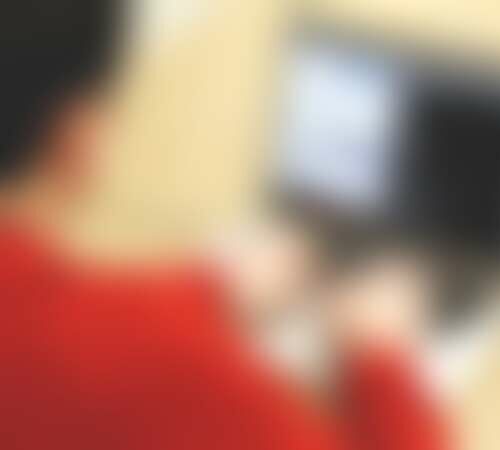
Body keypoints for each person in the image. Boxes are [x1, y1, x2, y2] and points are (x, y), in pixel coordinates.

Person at [0, 1, 452, 449]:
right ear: (74, 134)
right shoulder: (190, 379)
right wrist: (381, 363)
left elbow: (68, 320)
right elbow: (108, 355)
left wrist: (206, 289)